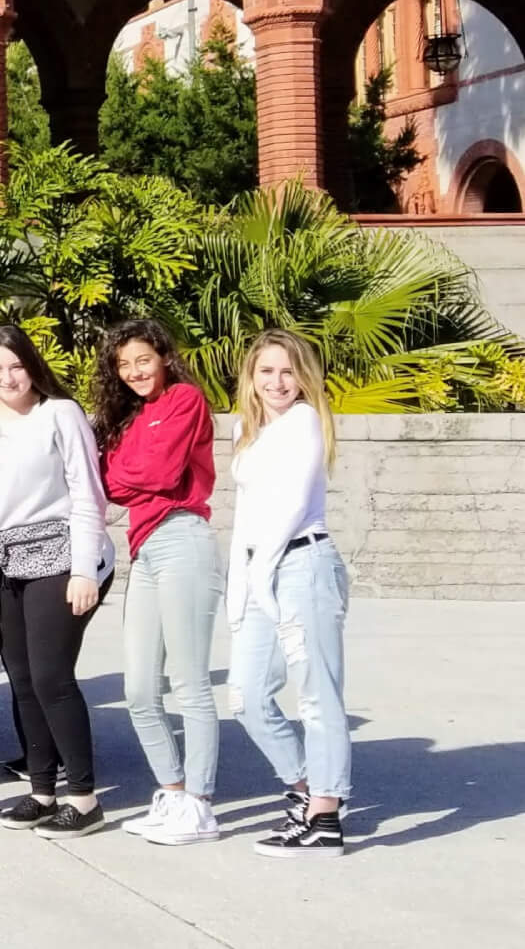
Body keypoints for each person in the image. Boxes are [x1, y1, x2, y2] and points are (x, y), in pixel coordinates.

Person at [0, 323, 112, 838]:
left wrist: (83, 568)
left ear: (32, 365)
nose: (8, 377)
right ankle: (42, 790)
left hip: (59, 557)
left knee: (52, 677)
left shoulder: (60, 413)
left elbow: (87, 494)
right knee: (23, 680)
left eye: (16, 365)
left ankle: (85, 797)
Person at [95, 318, 224, 847]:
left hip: (184, 537)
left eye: (142, 360)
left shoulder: (184, 400)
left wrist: (125, 474)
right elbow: (111, 480)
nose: (133, 373)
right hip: (144, 547)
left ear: (164, 357)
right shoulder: (132, 416)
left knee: (191, 682)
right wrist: (127, 473)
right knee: (139, 689)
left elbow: (162, 474)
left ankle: (201, 803)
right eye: (123, 365)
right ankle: (172, 792)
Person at [227, 329, 349, 856]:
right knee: (246, 695)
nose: (278, 382)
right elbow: (247, 520)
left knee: (317, 696)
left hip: (303, 566)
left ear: (304, 377)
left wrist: (262, 577)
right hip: (263, 572)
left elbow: (291, 507)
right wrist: (241, 592)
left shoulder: (304, 423)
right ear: (251, 378)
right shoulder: (247, 431)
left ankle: (325, 814)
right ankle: (303, 788)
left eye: (287, 371)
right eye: (266, 372)